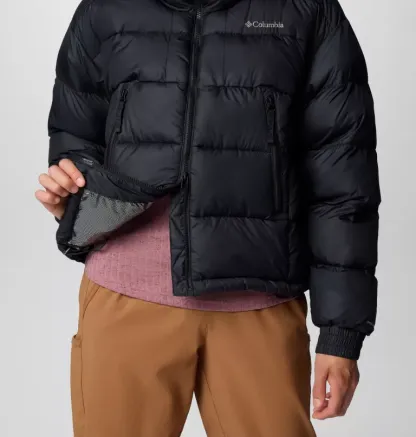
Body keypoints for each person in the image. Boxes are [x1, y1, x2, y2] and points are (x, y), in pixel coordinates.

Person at [36, 0, 380, 435]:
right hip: (125, 295)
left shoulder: (306, 9)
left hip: (258, 305)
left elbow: (343, 181)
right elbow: (76, 139)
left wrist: (341, 332)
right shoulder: (105, 8)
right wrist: (72, 200)